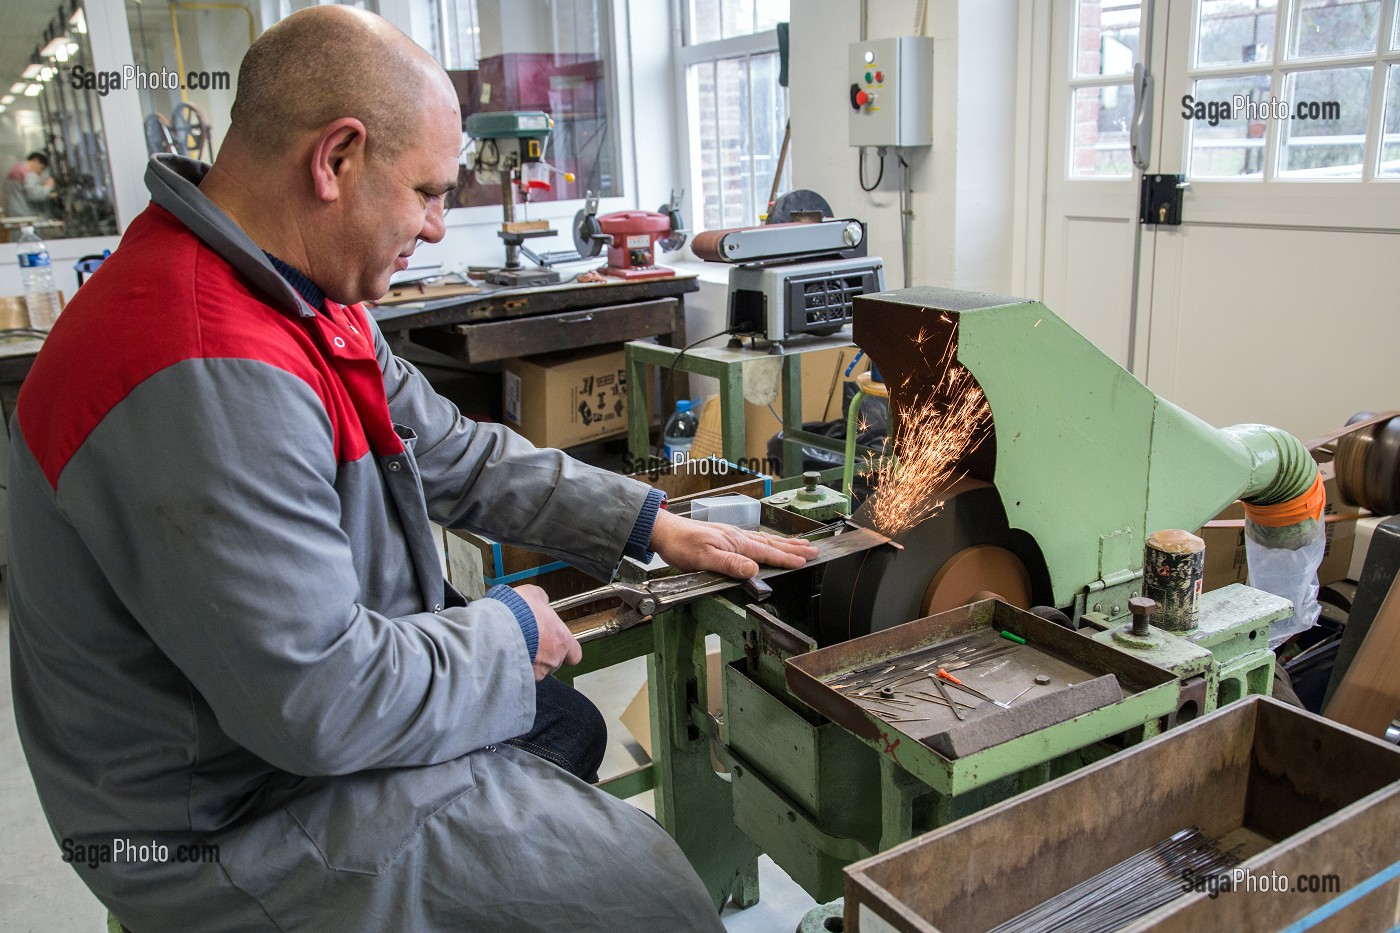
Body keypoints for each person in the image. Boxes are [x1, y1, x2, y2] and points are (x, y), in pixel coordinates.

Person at [6, 8, 816, 932]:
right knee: (650, 899)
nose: (437, 229)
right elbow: (322, 697)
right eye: (428, 192)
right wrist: (506, 631)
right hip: (223, 819)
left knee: (569, 726)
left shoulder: (297, 288)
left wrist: (647, 524)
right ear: (336, 159)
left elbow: (453, 452)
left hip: (280, 737)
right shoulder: (201, 362)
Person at [4, 151, 53, 218]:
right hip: (26, 215)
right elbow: (35, 195)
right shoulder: (28, 173)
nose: (40, 172)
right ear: (36, 161)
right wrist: (48, 186)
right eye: (41, 168)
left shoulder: (14, 170)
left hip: (14, 214)